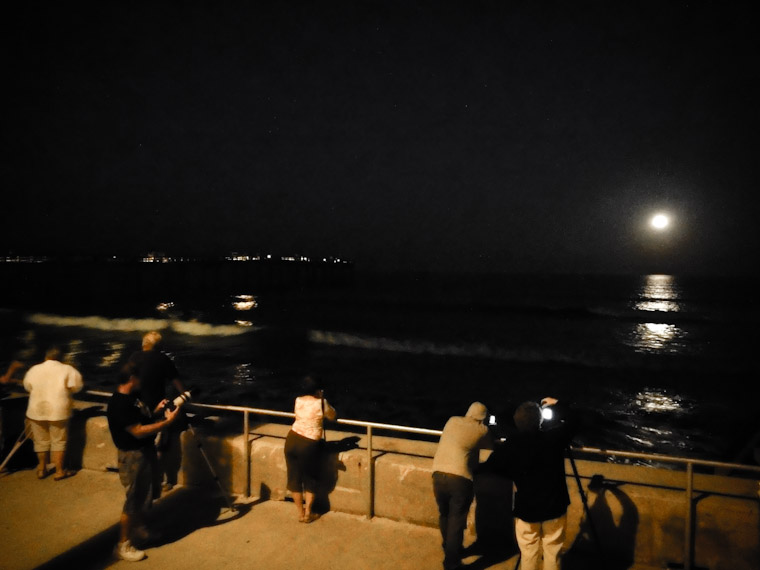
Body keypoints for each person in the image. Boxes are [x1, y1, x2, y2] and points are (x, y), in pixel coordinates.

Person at [483, 397, 575, 570]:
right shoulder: (554, 438)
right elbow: (575, 421)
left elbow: (491, 466)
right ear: (540, 420)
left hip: (527, 510)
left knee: (528, 554)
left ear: (517, 422)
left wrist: (513, 473)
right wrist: (558, 404)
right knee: (552, 553)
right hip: (554, 507)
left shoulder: (512, 444)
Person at [107, 362, 180, 562]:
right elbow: (137, 431)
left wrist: (156, 411)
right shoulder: (119, 404)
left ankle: (139, 530)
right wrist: (167, 422)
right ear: (132, 379)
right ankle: (122, 545)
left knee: (144, 496)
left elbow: (142, 419)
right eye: (139, 378)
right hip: (132, 456)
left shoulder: (133, 398)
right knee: (133, 500)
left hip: (144, 452)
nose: (142, 382)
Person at [431, 402, 491, 570]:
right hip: (460, 479)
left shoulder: (452, 421)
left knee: (444, 514)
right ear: (483, 418)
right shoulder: (482, 430)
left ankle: (450, 548)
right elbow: (490, 445)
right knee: (456, 520)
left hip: (437, 474)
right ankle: (451, 563)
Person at [128, 331, 186, 492]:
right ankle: (160, 479)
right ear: (159, 346)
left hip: (137, 407)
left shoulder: (133, 357)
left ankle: (144, 477)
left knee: (143, 444)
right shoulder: (163, 359)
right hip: (157, 407)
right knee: (160, 444)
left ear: (143, 344)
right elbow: (176, 382)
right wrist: (185, 396)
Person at [22, 348, 83, 480]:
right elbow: (76, 387)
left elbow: (27, 386)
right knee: (58, 441)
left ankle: (41, 469)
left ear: (46, 357)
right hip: (58, 410)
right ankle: (59, 471)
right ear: (62, 358)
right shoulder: (68, 369)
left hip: (37, 408)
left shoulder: (34, 369)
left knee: (40, 441)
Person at [284, 375, 337, 523]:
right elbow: (332, 415)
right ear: (317, 389)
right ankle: (308, 513)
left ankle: (300, 513)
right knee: (310, 479)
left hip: (292, 438)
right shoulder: (321, 402)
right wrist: (322, 398)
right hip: (309, 444)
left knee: (294, 478)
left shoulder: (298, 400)